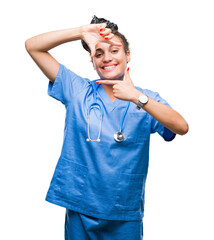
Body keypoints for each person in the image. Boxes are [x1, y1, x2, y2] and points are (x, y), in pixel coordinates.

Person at [25, 15, 189, 240]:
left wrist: (137, 97)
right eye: (98, 53)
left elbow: (181, 127)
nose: (106, 58)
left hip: (123, 212)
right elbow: (33, 47)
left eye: (114, 50)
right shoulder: (78, 90)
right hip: (81, 207)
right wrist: (81, 31)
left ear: (128, 55)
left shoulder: (147, 100)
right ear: (92, 60)